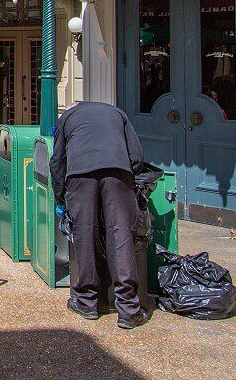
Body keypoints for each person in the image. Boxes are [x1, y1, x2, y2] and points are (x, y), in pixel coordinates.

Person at [49, 101, 148, 330]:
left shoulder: (67, 118)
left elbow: (57, 161)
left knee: (84, 235)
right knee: (121, 236)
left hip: (80, 175)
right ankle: (127, 309)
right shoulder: (118, 113)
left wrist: (60, 197)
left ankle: (86, 302)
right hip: (117, 172)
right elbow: (136, 156)